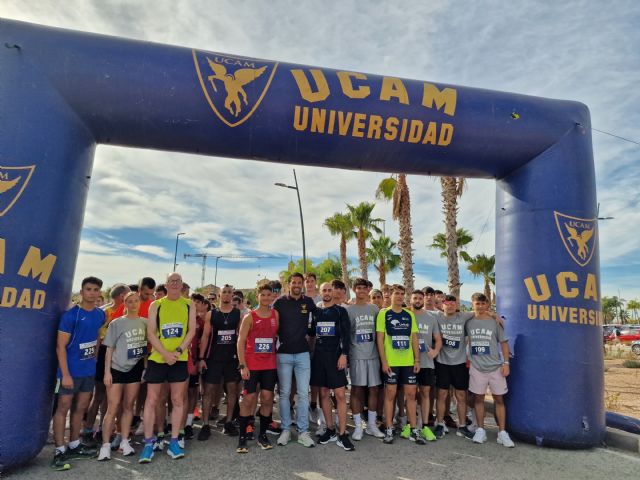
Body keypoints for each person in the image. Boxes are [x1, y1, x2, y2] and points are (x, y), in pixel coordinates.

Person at [139, 273, 196, 463]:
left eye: (178, 281)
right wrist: (164, 353)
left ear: (182, 285)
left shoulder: (189, 304)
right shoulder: (157, 304)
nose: (174, 284)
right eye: (171, 281)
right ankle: (148, 443)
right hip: (158, 358)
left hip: (179, 358)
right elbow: (151, 333)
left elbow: (192, 330)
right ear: (166, 285)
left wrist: (178, 351)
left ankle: (173, 441)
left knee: (177, 400)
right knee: (152, 400)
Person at [51, 276, 105, 471]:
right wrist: (65, 374)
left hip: (88, 372)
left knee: (81, 407)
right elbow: (60, 347)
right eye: (88, 289)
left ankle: (74, 444)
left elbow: (96, 337)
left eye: (96, 289)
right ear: (81, 292)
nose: (92, 292)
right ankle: (59, 450)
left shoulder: (100, 314)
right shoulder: (70, 316)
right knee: (63, 408)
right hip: (69, 372)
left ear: (100, 293)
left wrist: (95, 358)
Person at [98, 291, 147, 460]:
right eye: (129, 301)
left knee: (129, 406)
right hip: (117, 369)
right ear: (124, 304)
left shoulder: (145, 323)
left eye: (136, 301)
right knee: (112, 407)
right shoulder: (116, 323)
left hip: (135, 369)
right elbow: (109, 349)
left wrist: (145, 369)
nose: (133, 304)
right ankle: (105, 445)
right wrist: (107, 372)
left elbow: (147, 349)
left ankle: (125, 440)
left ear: (140, 303)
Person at [376, 284, 424, 445]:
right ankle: (389, 428)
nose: (399, 296)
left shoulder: (409, 315)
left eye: (402, 294)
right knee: (390, 396)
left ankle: (413, 430)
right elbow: (380, 340)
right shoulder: (384, 314)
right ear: (390, 295)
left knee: (411, 396)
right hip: (391, 363)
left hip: (408, 362)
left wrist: (417, 360)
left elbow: (415, 338)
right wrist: (384, 362)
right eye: (396, 293)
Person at [466, 293, 515, 447]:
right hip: (477, 367)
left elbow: (504, 343)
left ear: (487, 304)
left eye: (482, 303)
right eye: (477, 303)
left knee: (499, 399)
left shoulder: (495, 322)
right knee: (478, 399)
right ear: (472, 304)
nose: (480, 306)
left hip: (495, 367)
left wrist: (506, 363)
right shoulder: (468, 322)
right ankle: (481, 430)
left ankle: (502, 432)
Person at [236, 284, 280, 453]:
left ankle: (262, 434)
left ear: (272, 297)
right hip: (252, 365)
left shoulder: (275, 314)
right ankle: (242, 437)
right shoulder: (249, 317)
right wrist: (243, 365)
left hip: (269, 365)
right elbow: (240, 341)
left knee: (267, 398)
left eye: (269, 295)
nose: (266, 298)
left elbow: (277, 335)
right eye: (263, 295)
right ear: (258, 296)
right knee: (248, 399)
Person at [275, 272, 317, 448]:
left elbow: (316, 324)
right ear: (289, 284)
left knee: (303, 394)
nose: (297, 285)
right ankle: (285, 429)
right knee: (284, 393)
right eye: (294, 282)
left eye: (300, 282)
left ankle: (303, 431)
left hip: (302, 354)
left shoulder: (308, 302)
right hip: (283, 353)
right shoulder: (279, 302)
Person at [312, 280, 355, 451]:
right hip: (319, 358)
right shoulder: (315, 311)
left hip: (336, 357)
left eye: (330, 289)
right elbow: (310, 333)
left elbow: (346, 335)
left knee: (340, 395)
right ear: (320, 292)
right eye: (325, 290)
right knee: (323, 393)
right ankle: (330, 429)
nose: (328, 292)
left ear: (333, 292)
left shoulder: (340, 311)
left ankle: (342, 433)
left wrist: (344, 355)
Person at [198, 284, 241, 440]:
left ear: (232, 295)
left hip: (231, 359)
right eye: (224, 292)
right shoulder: (211, 314)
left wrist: (241, 360)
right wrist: (201, 358)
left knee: (232, 390)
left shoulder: (238, 314)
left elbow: (241, 337)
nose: (227, 295)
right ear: (219, 294)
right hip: (213, 358)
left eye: (230, 292)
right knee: (208, 390)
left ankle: (229, 422)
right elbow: (204, 337)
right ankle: (205, 424)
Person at [346, 278, 384, 440]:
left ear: (369, 290)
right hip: (357, 355)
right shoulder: (349, 310)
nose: (362, 290)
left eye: (364, 288)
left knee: (374, 389)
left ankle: (372, 425)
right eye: (358, 288)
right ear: (354, 290)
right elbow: (346, 335)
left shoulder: (375, 309)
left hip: (373, 356)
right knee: (357, 390)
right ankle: (358, 426)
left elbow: (380, 334)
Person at [433, 294, 475, 439]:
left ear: (456, 305)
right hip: (442, 363)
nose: (450, 305)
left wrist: (495, 316)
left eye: (453, 303)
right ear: (442, 304)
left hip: (460, 363)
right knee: (442, 395)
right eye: (447, 303)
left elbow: (480, 311)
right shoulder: (436, 316)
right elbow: (416, 310)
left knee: (461, 395)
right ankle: (440, 424)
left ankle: (462, 426)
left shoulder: (463, 316)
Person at [409, 289, 442, 441]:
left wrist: (436, 351)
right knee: (410, 394)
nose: (417, 300)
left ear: (423, 300)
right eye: (415, 298)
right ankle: (411, 425)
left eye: (419, 298)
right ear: (410, 299)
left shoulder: (431, 317)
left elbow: (438, 338)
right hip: (408, 361)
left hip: (427, 362)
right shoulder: (405, 315)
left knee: (425, 393)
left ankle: (425, 425)